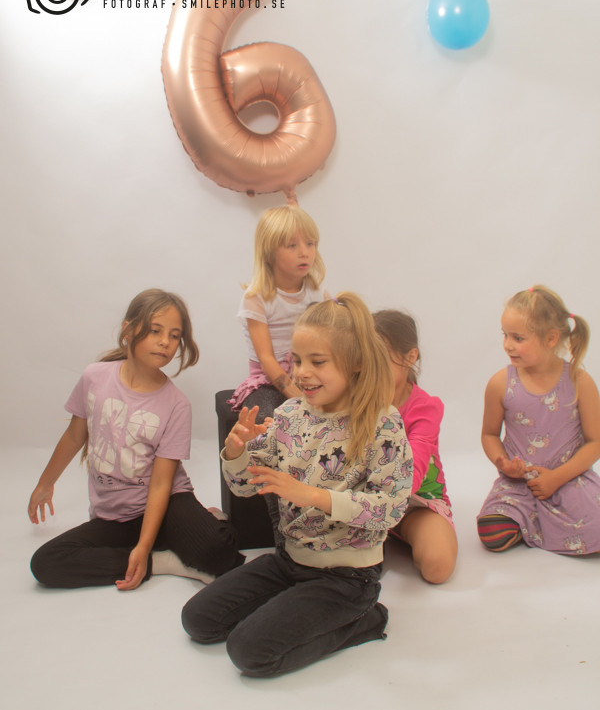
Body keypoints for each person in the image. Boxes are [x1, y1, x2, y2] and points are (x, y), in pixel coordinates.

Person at [182, 292, 413, 677]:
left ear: (355, 363)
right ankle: (295, 605)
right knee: (198, 621)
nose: (302, 372)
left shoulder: (382, 423)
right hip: (289, 561)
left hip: (347, 577)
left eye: (317, 362)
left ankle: (365, 619)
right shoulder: (289, 415)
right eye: (297, 360)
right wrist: (237, 452)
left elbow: (390, 509)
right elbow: (244, 488)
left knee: (248, 652)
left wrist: (312, 496)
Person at [28, 289, 244, 590]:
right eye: (155, 331)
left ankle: (209, 522)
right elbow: (75, 435)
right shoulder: (94, 377)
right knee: (45, 563)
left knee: (221, 555)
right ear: (128, 330)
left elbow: (161, 483)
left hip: (167, 503)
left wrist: (142, 545)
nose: (165, 342)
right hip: (114, 517)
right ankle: (163, 561)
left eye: (174, 336)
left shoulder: (177, 404)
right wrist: (45, 484)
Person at [477, 285, 600, 554]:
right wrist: (504, 464)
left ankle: (536, 526)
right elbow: (489, 434)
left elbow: (595, 442)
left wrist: (556, 478)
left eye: (518, 338)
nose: (508, 344)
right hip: (518, 484)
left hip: (568, 481)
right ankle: (529, 521)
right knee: (491, 532)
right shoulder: (500, 383)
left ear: (551, 338)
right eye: (505, 335)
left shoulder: (580, 381)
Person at [374, 310, 457, 583]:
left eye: (381, 358)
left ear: (410, 356)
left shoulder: (425, 407)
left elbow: (414, 470)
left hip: (415, 502)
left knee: (437, 567)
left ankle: (390, 531)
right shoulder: (355, 399)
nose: (371, 368)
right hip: (364, 499)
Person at [228, 204, 328, 423]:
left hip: (309, 375)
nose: (304, 252)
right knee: (266, 417)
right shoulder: (257, 298)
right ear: (269, 254)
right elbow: (266, 359)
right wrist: (299, 397)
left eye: (310, 243)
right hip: (268, 382)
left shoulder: (318, 294)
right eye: (292, 245)